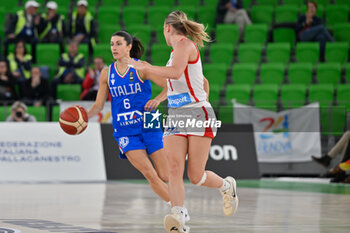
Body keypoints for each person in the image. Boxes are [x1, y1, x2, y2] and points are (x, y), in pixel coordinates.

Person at [127, 11, 238, 233]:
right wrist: (160, 98)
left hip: (197, 114)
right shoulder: (173, 53)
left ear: (167, 28)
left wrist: (147, 68)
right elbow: (200, 81)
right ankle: (178, 217)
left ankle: (227, 186)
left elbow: (176, 74)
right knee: (174, 168)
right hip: (176, 115)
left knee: (196, 176)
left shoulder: (185, 46)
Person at [87, 31, 171, 208]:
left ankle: (178, 198)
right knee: (150, 174)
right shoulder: (106, 73)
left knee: (165, 175)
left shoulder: (142, 67)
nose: (114, 48)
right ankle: (179, 208)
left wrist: (157, 100)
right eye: (111, 44)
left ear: (129, 47)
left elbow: (168, 87)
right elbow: (98, 106)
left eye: (118, 44)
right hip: (124, 128)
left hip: (149, 121)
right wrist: (83, 117)